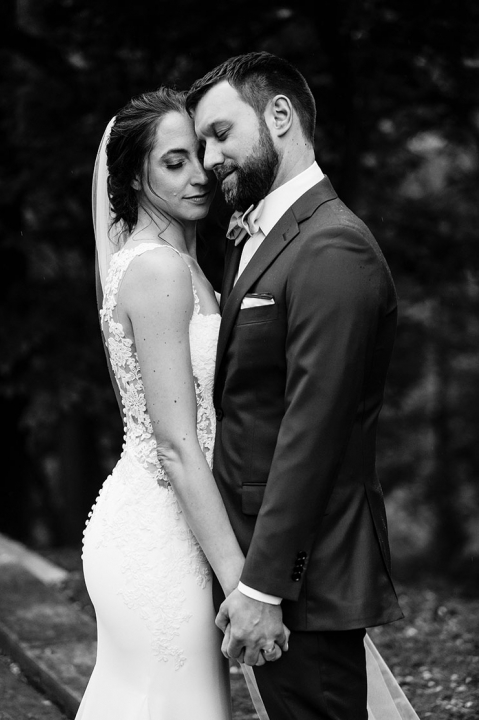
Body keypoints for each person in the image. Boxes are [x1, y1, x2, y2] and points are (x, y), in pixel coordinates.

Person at [186, 52, 417, 720]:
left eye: (221, 134)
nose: (209, 159)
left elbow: (314, 431)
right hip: (262, 564)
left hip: (301, 581)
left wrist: (264, 587)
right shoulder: (256, 238)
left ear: (280, 115)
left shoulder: (333, 246)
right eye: (201, 144)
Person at [77, 87, 288, 720]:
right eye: (175, 162)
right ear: (131, 178)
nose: (200, 174)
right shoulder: (158, 271)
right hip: (159, 539)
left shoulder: (183, 264)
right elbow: (174, 443)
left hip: (180, 524)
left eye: (200, 154)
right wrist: (242, 582)